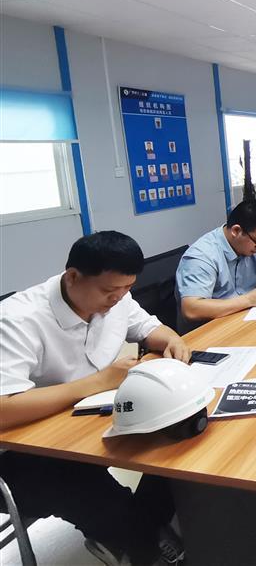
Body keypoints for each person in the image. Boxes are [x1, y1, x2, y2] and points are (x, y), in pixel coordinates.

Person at [0, 231, 189, 565]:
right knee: (90, 491)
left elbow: (148, 328)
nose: (118, 298)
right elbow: (4, 408)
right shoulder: (18, 319)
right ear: (73, 277)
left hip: (83, 424)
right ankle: (142, 543)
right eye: (109, 291)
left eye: (127, 288)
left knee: (178, 446)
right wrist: (98, 382)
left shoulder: (117, 296)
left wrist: (173, 339)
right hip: (21, 453)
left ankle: (137, 535)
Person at [177, 198, 256, 331]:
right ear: (236, 231)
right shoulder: (202, 256)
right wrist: (248, 300)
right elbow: (191, 309)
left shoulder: (251, 245)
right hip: (210, 331)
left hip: (243, 320)